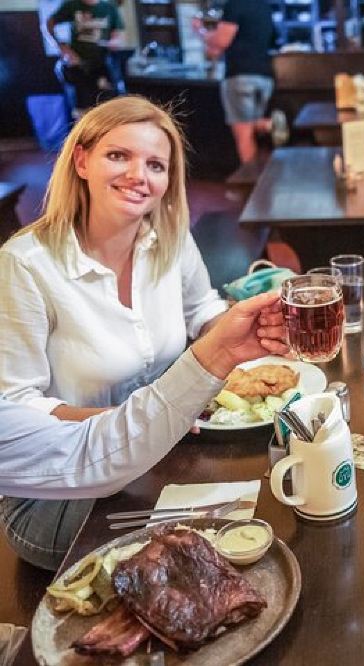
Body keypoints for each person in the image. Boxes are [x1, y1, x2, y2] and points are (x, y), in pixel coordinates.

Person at [0, 95, 228, 570]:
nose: (138, 175)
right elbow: (15, 405)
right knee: (205, 548)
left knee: (242, 517)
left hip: (161, 455)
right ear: (82, 161)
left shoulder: (170, 237)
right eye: (119, 155)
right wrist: (134, 422)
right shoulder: (26, 264)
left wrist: (253, 328)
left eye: (155, 165)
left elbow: (203, 310)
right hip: (57, 490)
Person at [0, 292, 285, 528]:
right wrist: (155, 413)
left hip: (136, 447)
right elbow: (84, 457)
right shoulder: (23, 261)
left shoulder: (168, 244)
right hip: (47, 497)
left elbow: (87, 452)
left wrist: (226, 348)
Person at [195, 0, 287, 164]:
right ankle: (268, 124)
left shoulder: (235, 4)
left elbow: (221, 41)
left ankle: (252, 180)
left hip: (240, 76)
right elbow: (274, 39)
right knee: (252, 128)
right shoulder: (264, 6)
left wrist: (199, 31)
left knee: (244, 135)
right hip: (265, 76)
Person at [46, 0, 125, 118]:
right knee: (81, 111)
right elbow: (49, 23)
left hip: (102, 65)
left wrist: (113, 43)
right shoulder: (71, 5)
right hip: (78, 67)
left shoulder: (109, 7)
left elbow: (117, 36)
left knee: (110, 107)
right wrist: (62, 47)